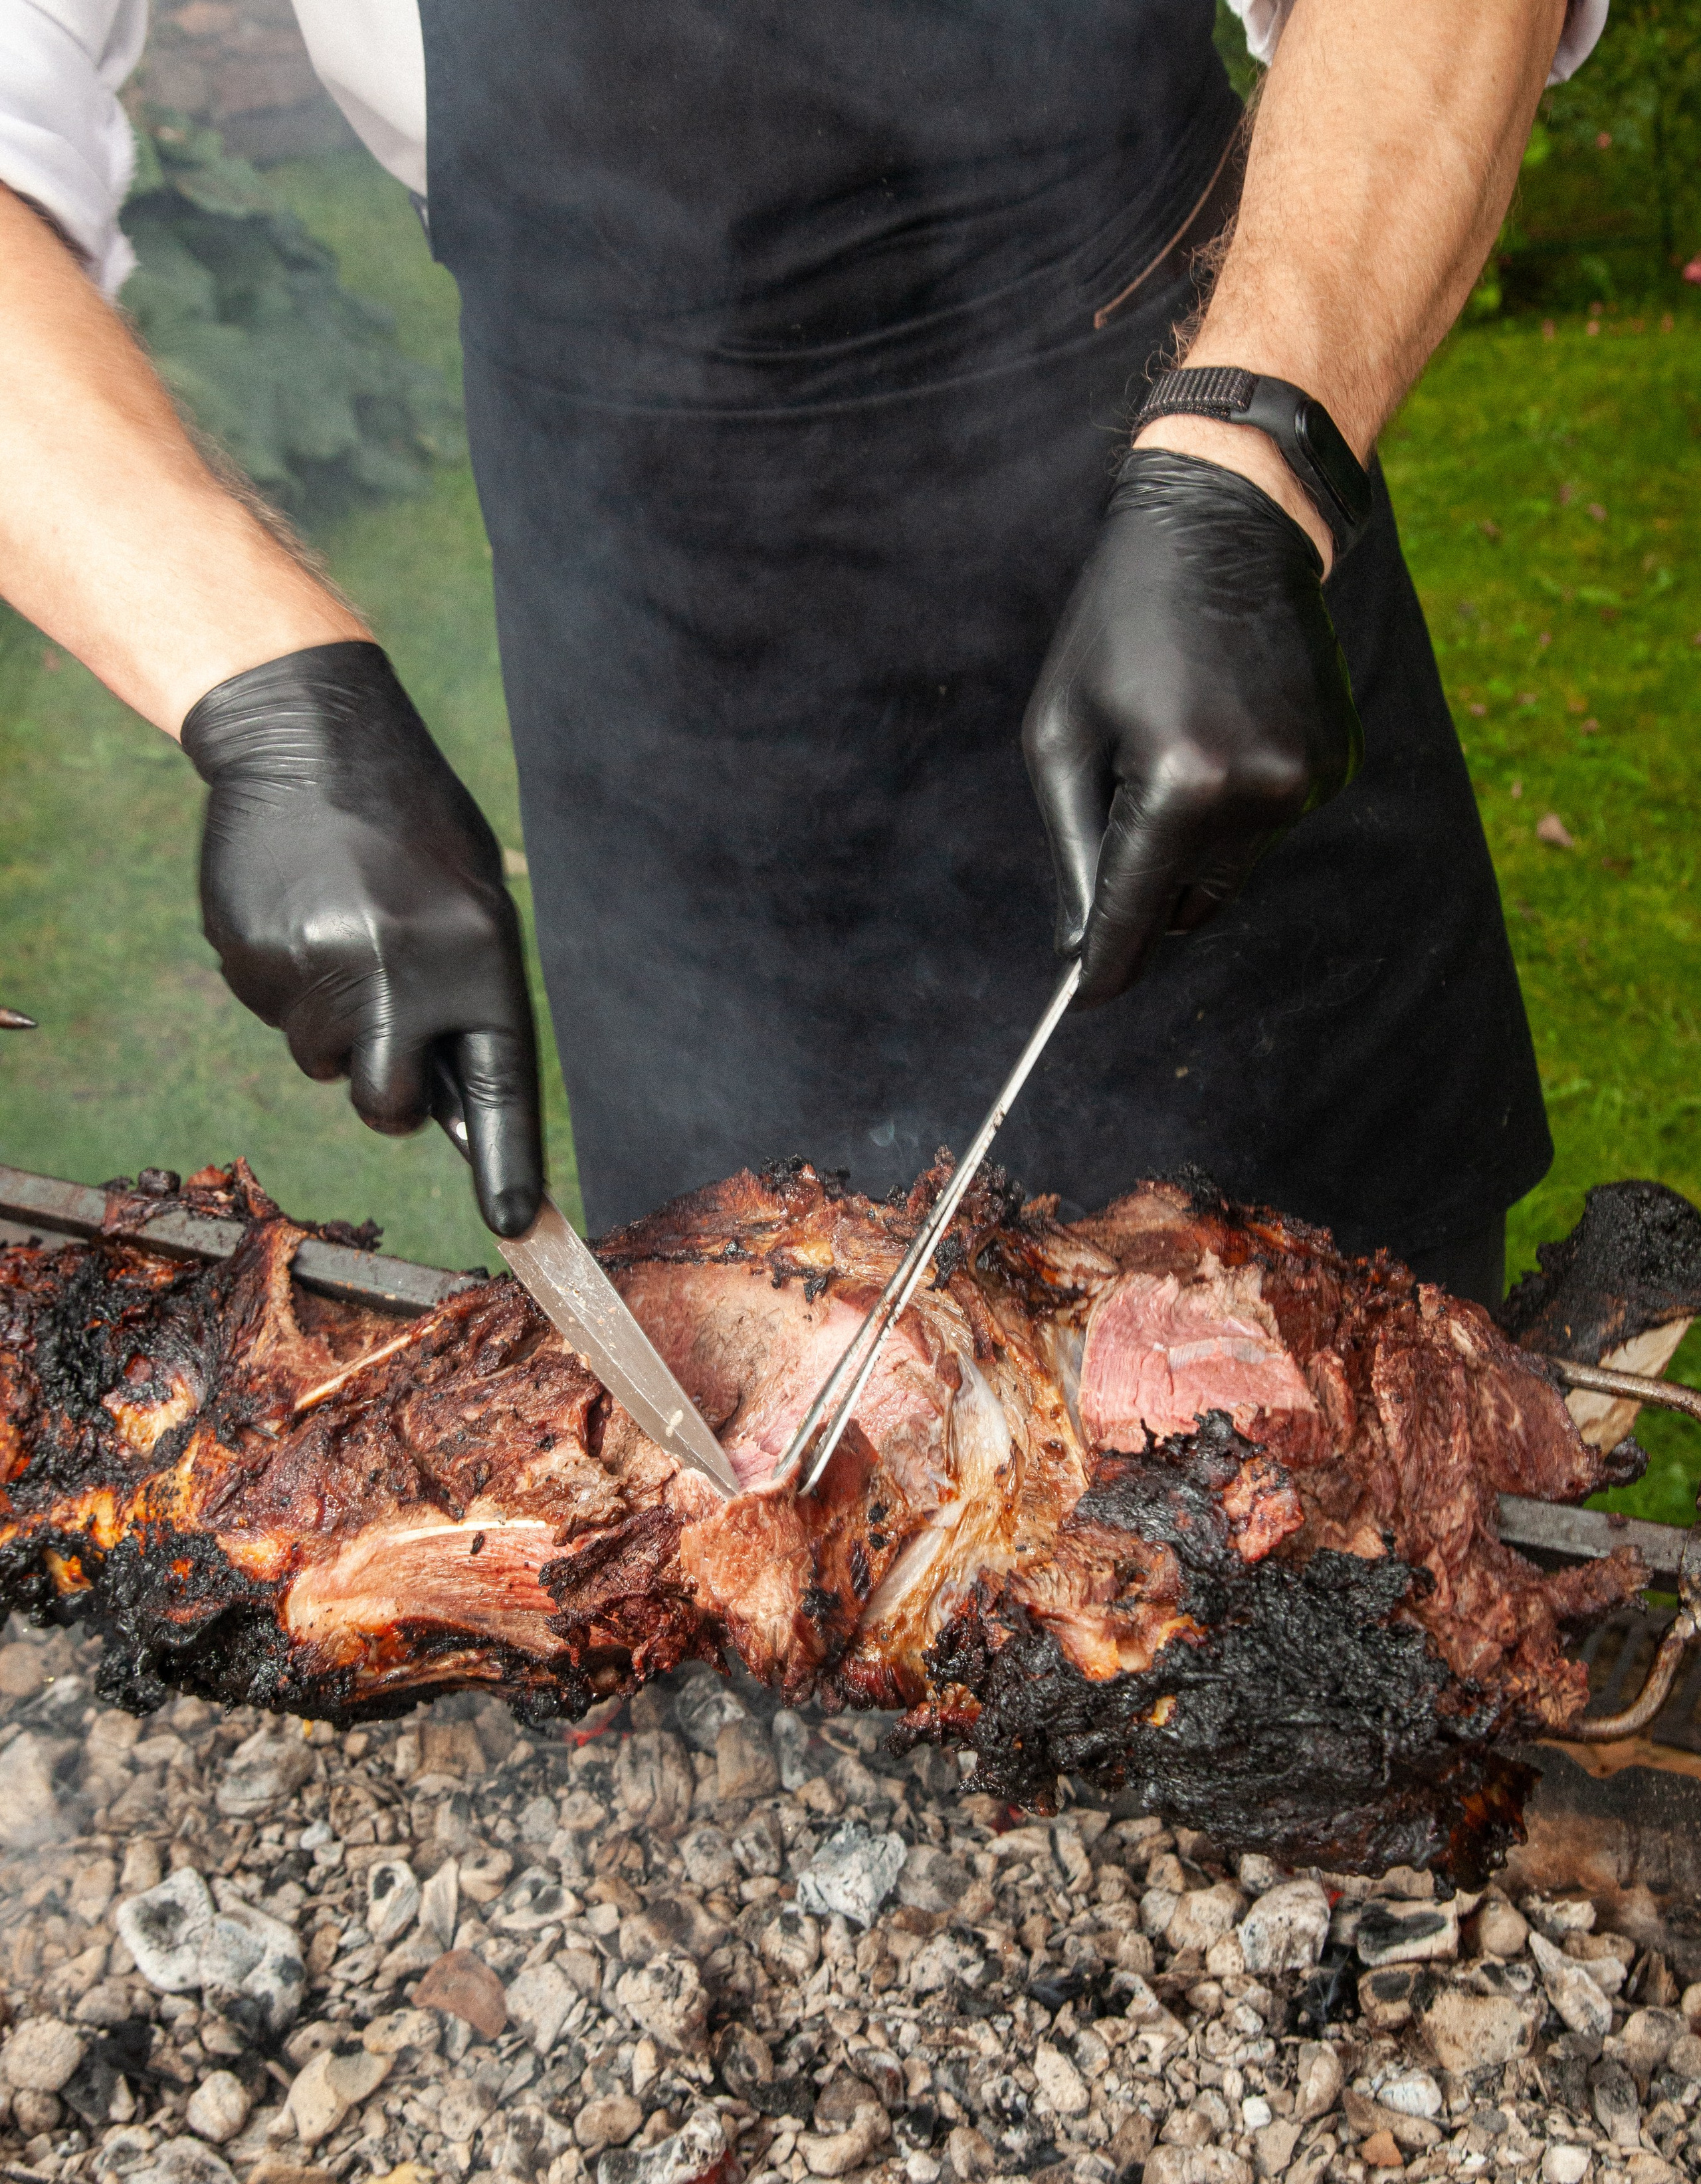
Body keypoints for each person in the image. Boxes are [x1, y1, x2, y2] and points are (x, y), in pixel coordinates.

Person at [0, 1, 1606, 1306]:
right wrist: (267, 690)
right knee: (755, 1415)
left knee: (1332, 1399)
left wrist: (1255, 456)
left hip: (1174, 447)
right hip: (656, 595)